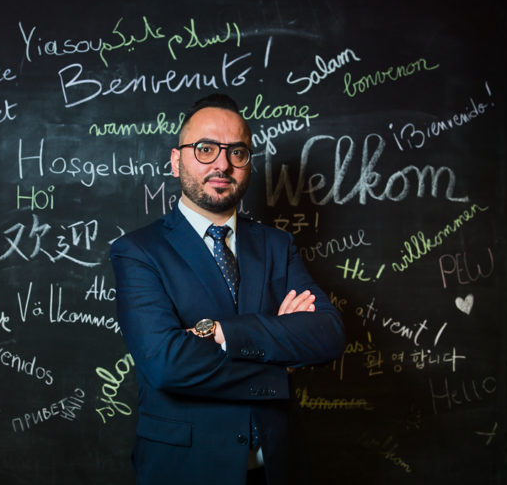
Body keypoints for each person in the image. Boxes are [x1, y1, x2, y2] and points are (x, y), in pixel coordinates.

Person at [109, 93, 345, 485]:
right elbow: (166, 364)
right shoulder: (138, 251)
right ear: (176, 161)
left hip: (278, 470)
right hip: (186, 471)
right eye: (205, 149)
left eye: (237, 152)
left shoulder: (277, 245)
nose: (222, 164)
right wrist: (279, 363)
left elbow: (328, 334)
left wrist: (222, 333)